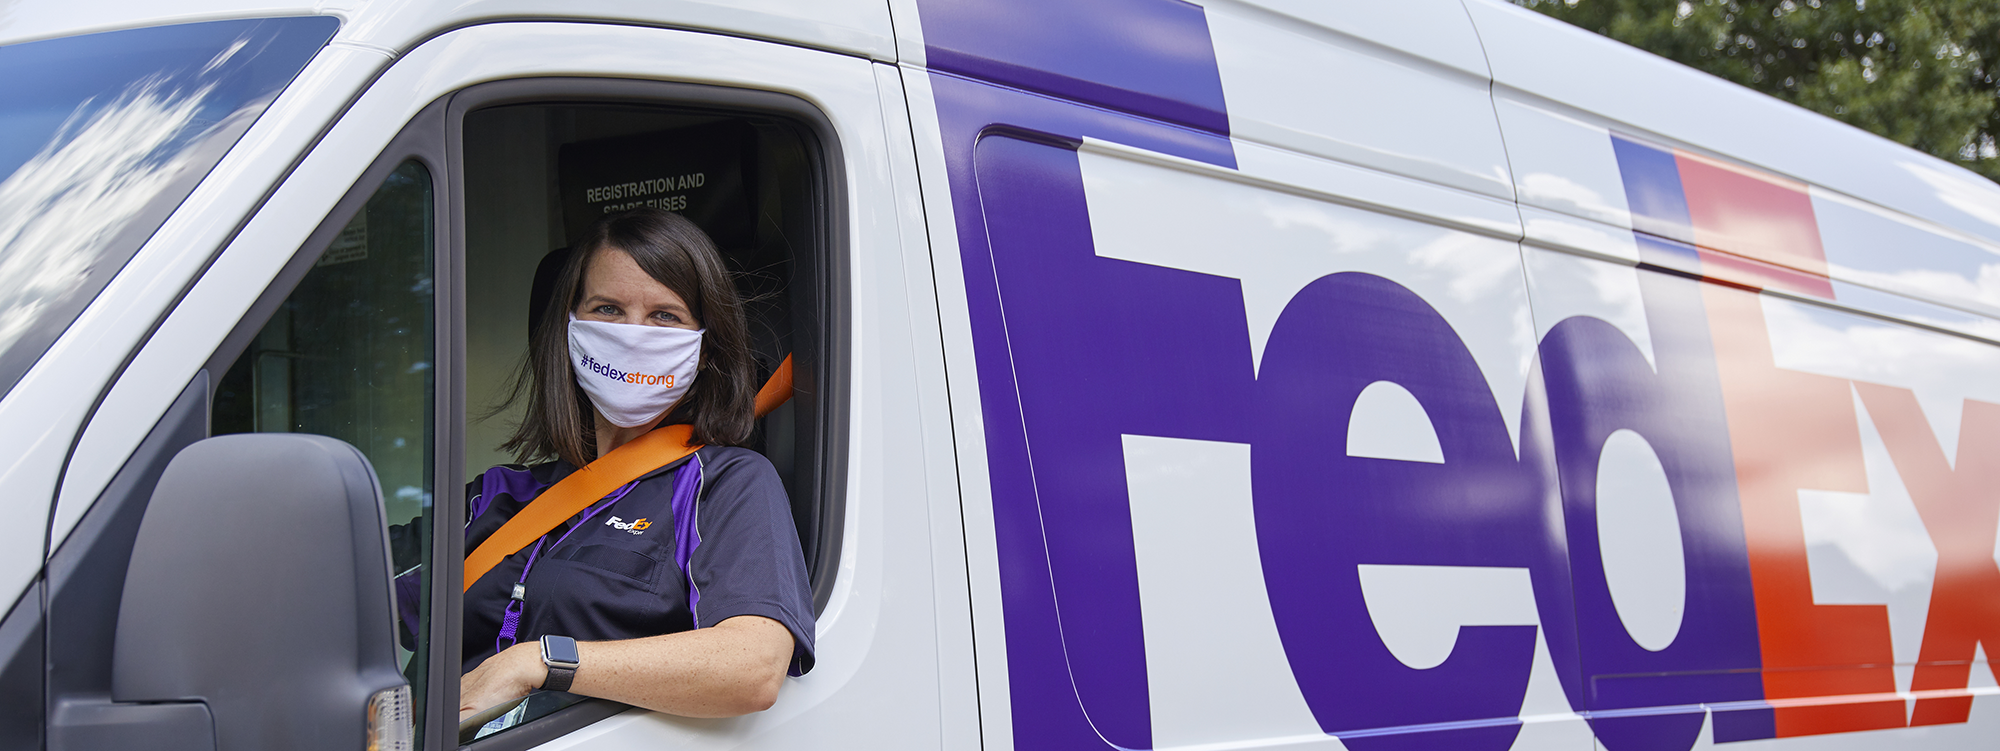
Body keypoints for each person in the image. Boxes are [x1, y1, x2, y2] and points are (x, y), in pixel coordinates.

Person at [453, 208, 814, 720]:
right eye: (608, 308)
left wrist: (538, 662)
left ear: (705, 347)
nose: (634, 335)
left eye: (665, 315)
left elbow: (752, 667)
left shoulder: (727, 484)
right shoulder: (499, 496)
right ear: (569, 327)